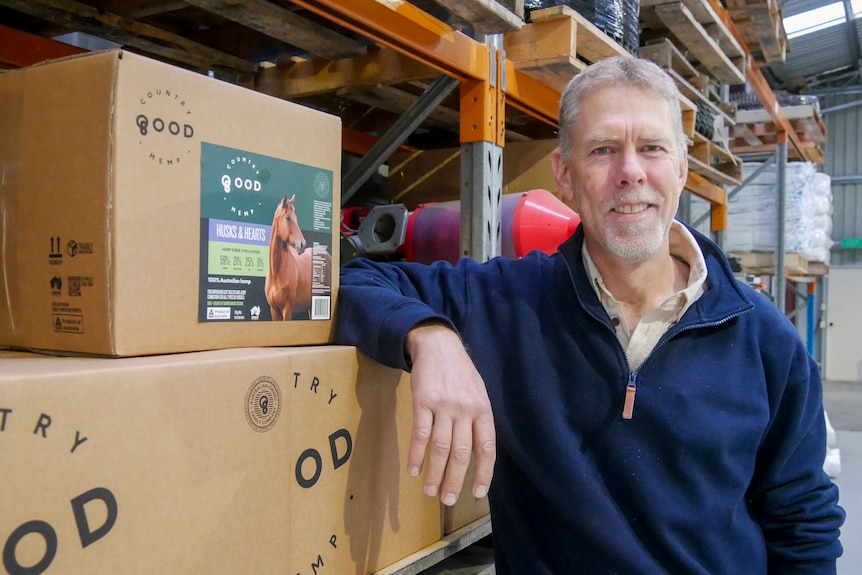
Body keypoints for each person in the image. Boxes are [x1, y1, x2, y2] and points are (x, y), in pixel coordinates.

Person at [335, 55, 845, 574]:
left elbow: (803, 523)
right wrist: (431, 338)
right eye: (603, 150)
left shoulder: (765, 341)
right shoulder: (506, 302)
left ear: (682, 168)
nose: (630, 172)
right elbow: (349, 280)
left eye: (652, 148)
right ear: (565, 176)